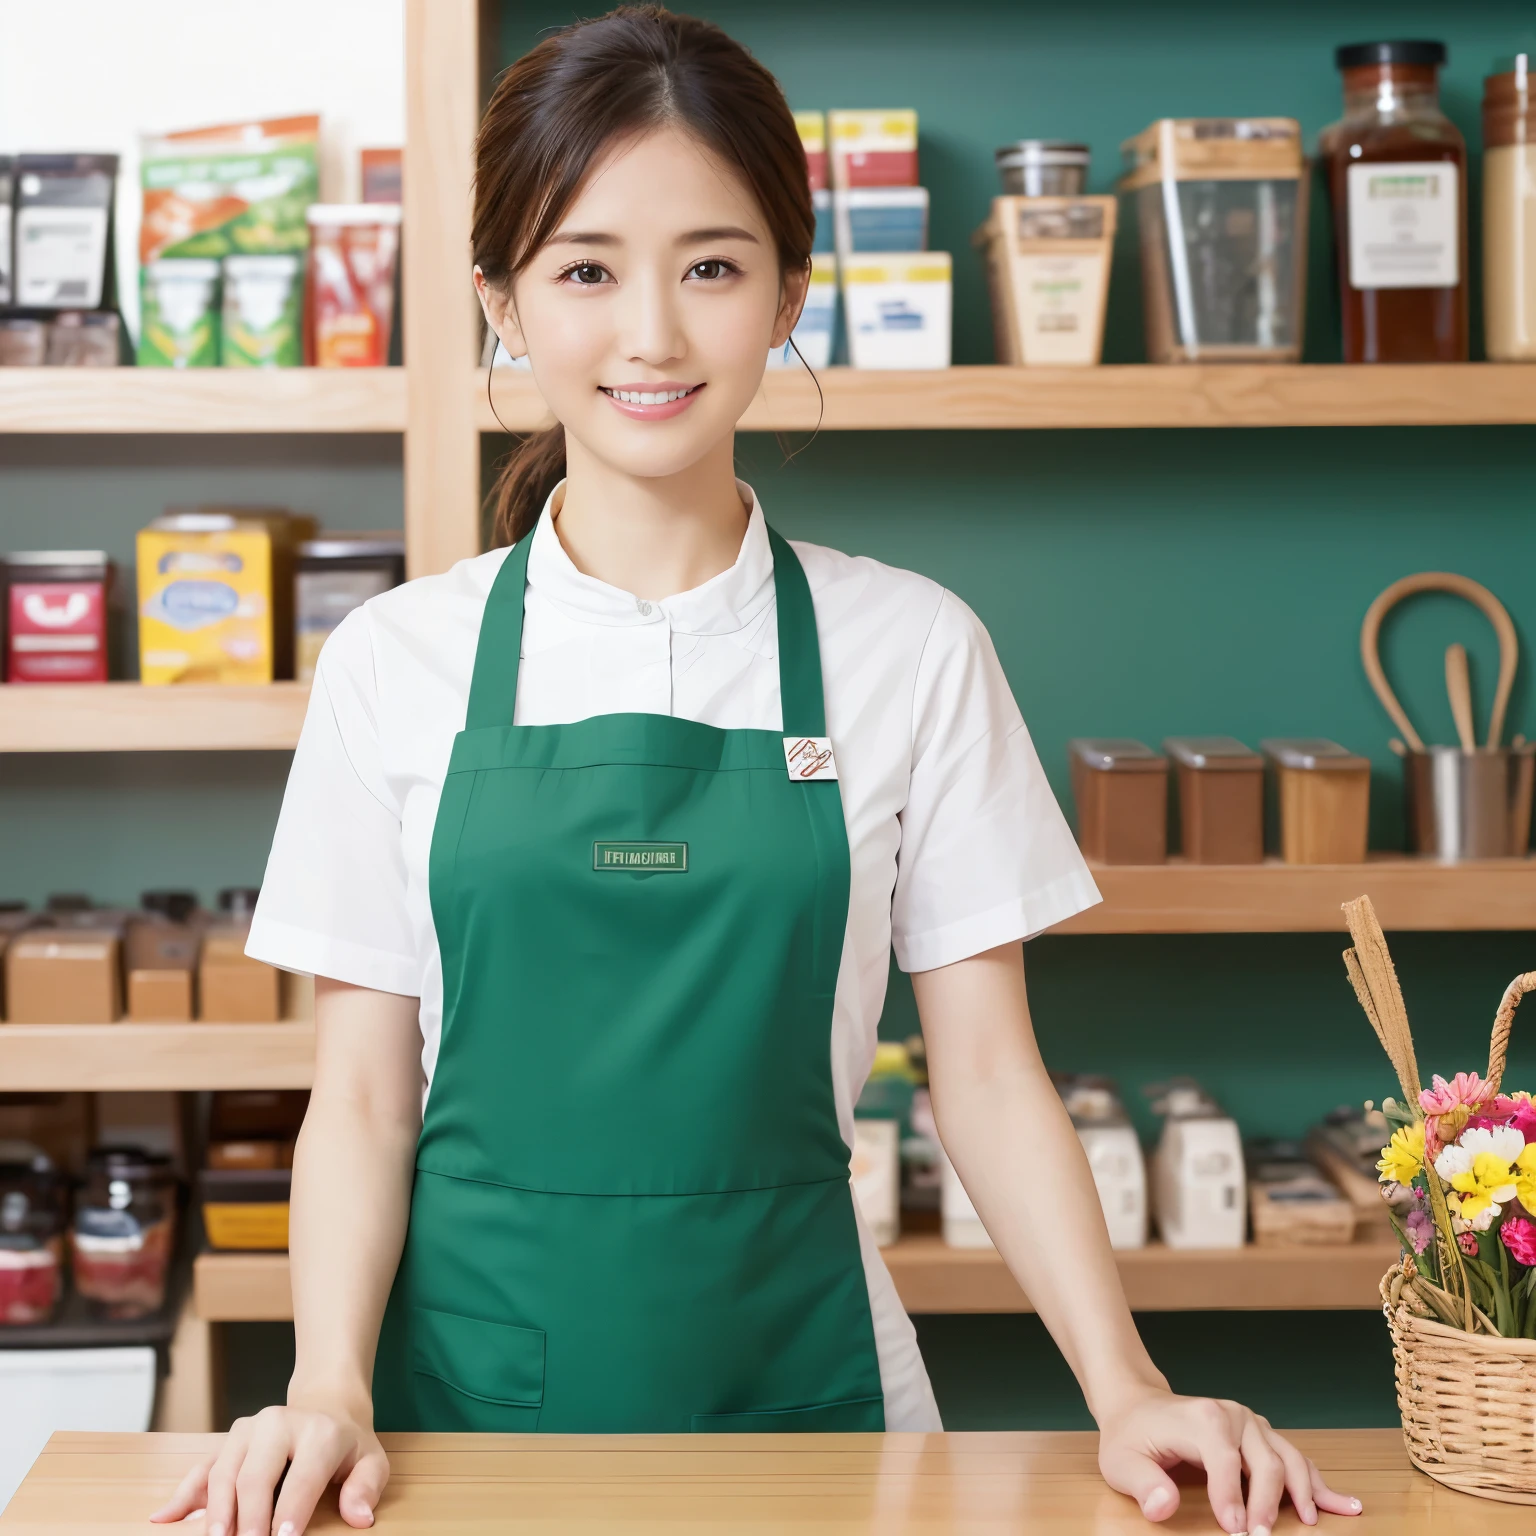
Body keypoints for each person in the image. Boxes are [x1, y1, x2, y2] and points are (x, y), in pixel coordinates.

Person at [152, 9, 1364, 1536]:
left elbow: (987, 1074)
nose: (650, 333)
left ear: (792, 290)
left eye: (710, 267)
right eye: (585, 269)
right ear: (501, 304)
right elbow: (363, 1093)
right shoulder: (397, 663)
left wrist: (1126, 1389)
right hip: (464, 1423)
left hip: (819, 1398)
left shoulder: (912, 649)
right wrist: (327, 1383)